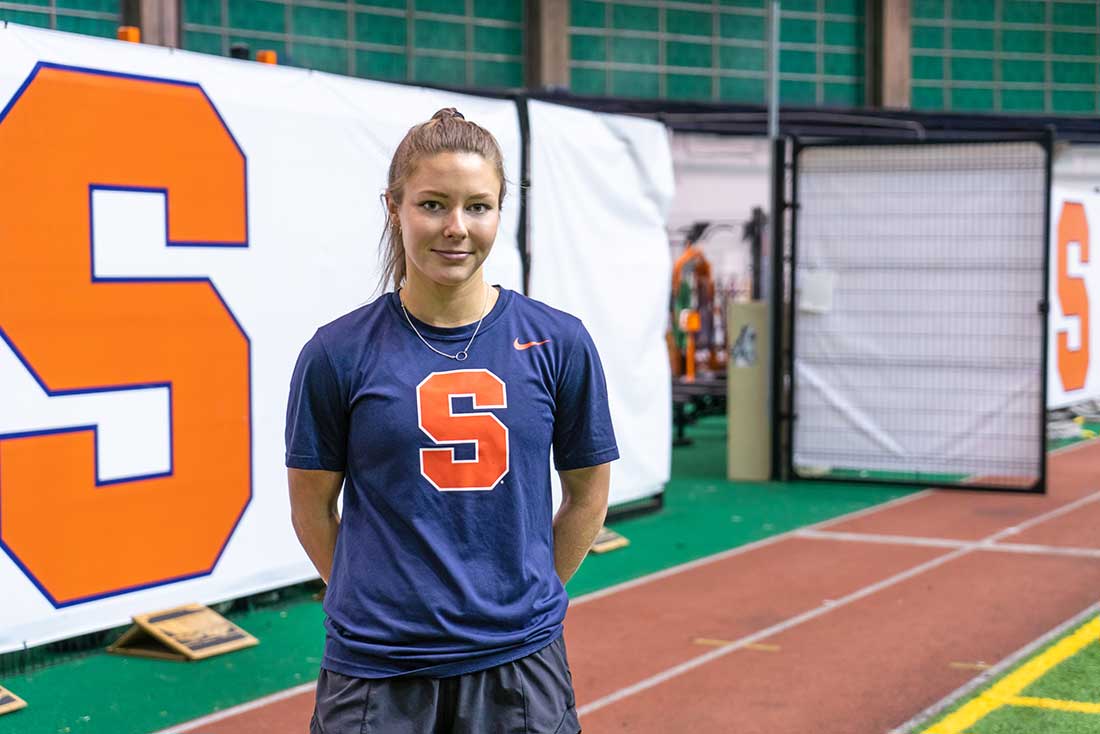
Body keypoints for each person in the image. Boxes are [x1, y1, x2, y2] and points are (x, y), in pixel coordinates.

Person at [285, 107, 618, 733]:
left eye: (478, 207)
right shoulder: (336, 354)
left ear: (500, 210)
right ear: (394, 207)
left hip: (518, 664)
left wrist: (523, 596)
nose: (456, 228)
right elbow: (310, 508)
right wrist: (375, 598)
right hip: (376, 671)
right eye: (433, 205)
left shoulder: (559, 342)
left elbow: (587, 494)